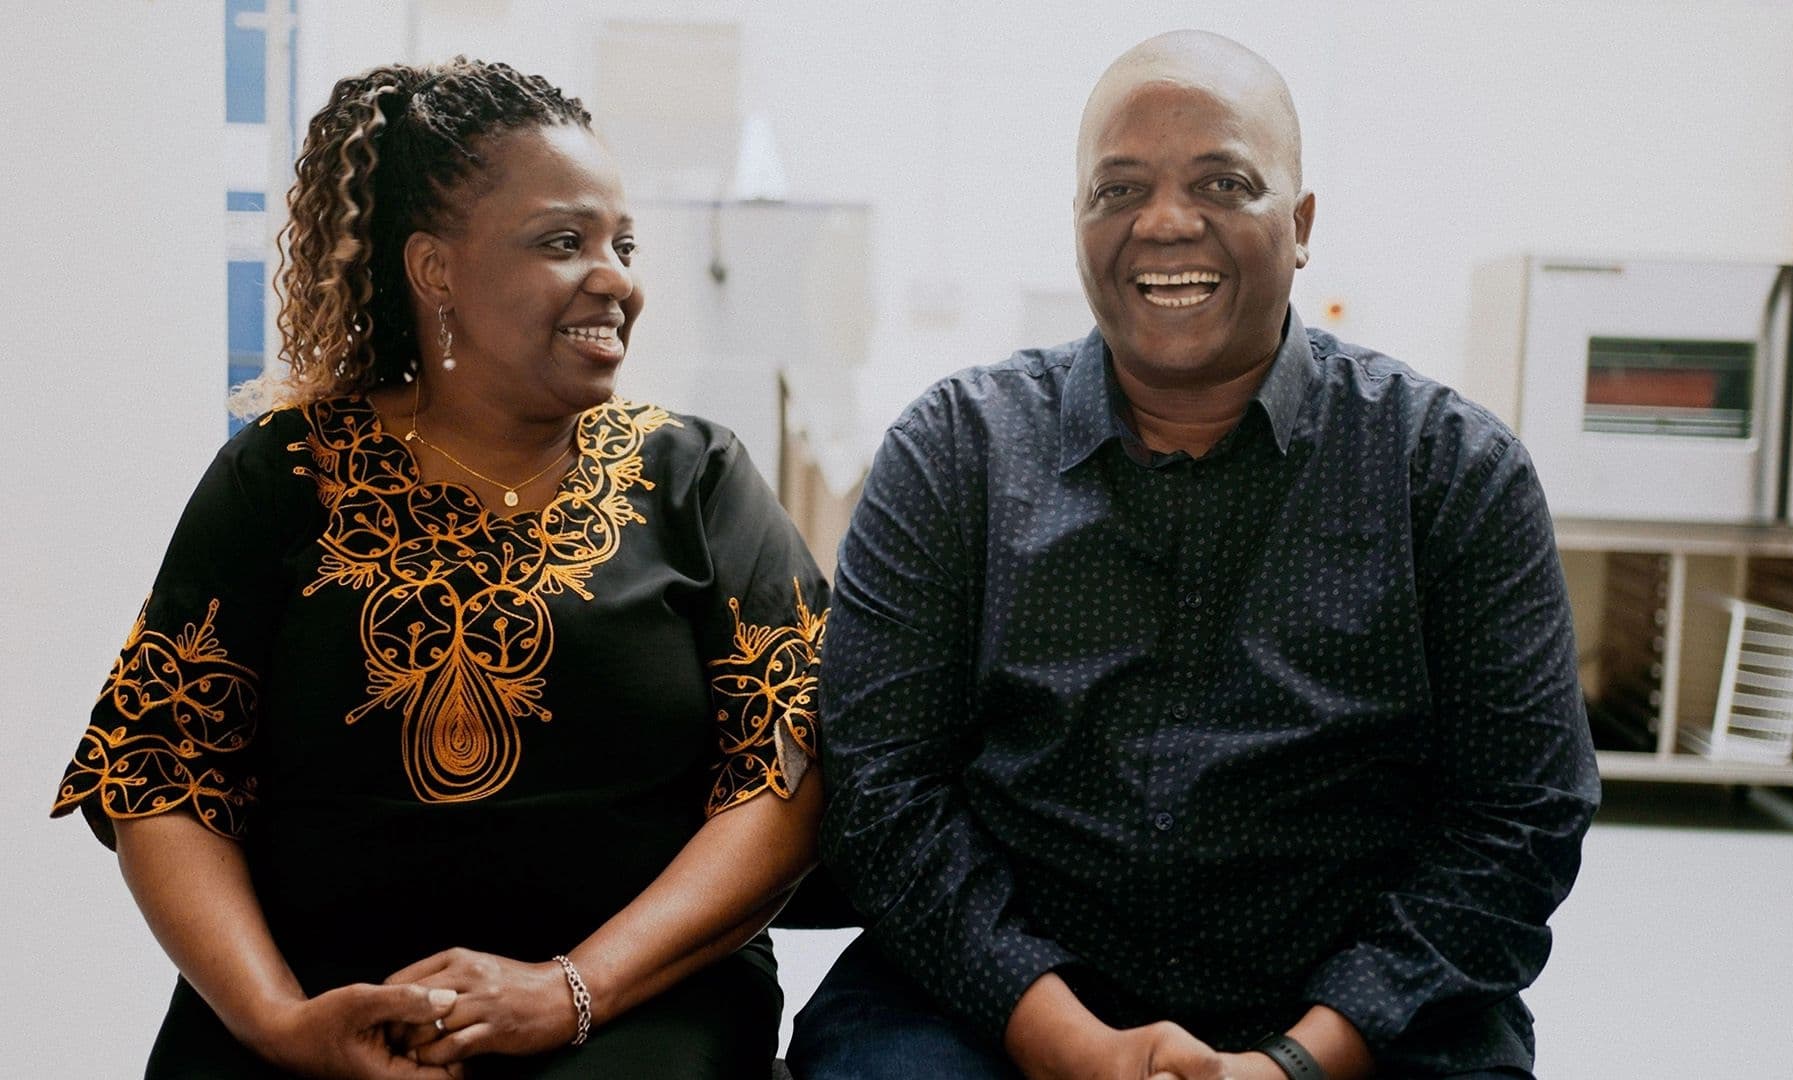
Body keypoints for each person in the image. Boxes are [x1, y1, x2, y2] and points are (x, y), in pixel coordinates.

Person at [788, 30, 1599, 1080]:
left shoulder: (1449, 472)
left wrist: (1296, 1063)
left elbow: (1520, 818)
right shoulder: (955, 454)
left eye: (1224, 182)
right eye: (1118, 189)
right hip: (994, 992)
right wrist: (1068, 1043)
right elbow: (884, 791)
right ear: (1079, 223)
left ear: (1301, 226)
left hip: (1356, 1004)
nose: (1165, 222)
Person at [51, 58, 828, 1079]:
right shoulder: (286, 474)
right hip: (315, 998)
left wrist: (572, 990)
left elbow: (788, 774)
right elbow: (159, 770)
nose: (616, 279)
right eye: (564, 242)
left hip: (631, 1006)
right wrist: (278, 1022)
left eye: (623, 245)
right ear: (435, 270)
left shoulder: (696, 478)